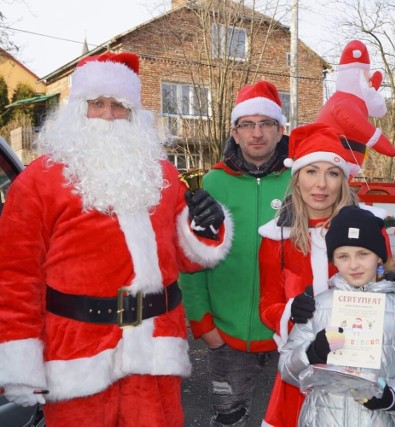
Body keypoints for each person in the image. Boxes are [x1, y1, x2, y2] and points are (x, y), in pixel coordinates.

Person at [0, 52, 231, 426]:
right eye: (97, 104)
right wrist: (20, 362)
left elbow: (186, 259)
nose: (108, 115)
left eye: (120, 106)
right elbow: (15, 276)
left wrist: (205, 226)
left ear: (135, 114)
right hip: (77, 357)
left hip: (155, 353)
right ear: (77, 110)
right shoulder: (38, 181)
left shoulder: (163, 175)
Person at [258, 122, 395, 426]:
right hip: (308, 366)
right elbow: (267, 304)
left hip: (372, 370)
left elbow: (387, 276)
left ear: (344, 179)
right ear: (297, 177)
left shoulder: (367, 227)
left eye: (332, 173)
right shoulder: (277, 237)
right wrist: (291, 313)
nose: (321, 184)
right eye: (312, 171)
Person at [179, 80, 290, 426]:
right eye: (248, 124)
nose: (257, 133)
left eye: (266, 123)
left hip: (292, 331)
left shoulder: (301, 179)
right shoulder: (210, 183)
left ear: (280, 129)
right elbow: (190, 259)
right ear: (235, 131)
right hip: (227, 337)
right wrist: (202, 323)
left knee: (297, 417)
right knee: (229, 418)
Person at [278, 205, 395, 426]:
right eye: (343, 256)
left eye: (363, 254)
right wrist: (311, 353)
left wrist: (392, 397)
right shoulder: (319, 305)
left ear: (379, 258)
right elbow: (287, 368)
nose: (353, 264)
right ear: (333, 261)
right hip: (323, 419)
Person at [316, 39, 395, 174]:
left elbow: (368, 96)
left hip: (344, 166)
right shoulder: (344, 102)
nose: (368, 82)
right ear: (357, 77)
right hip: (331, 162)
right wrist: (380, 142)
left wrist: (372, 89)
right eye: (366, 77)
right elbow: (356, 124)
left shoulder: (356, 101)